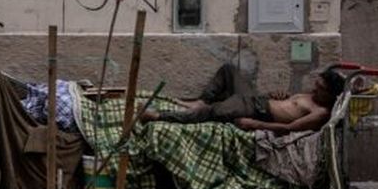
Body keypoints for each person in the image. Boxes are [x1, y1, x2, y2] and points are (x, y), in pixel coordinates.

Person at [142, 63, 346, 135]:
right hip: (258, 99)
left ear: (330, 94)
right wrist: (278, 96)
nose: (313, 89)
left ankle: (158, 116)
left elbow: (289, 128)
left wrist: (255, 124)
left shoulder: (320, 113)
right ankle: (202, 100)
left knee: (213, 113)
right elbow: (288, 104)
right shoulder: (312, 97)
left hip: (257, 111)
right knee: (229, 70)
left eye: (320, 89)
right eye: (316, 84)